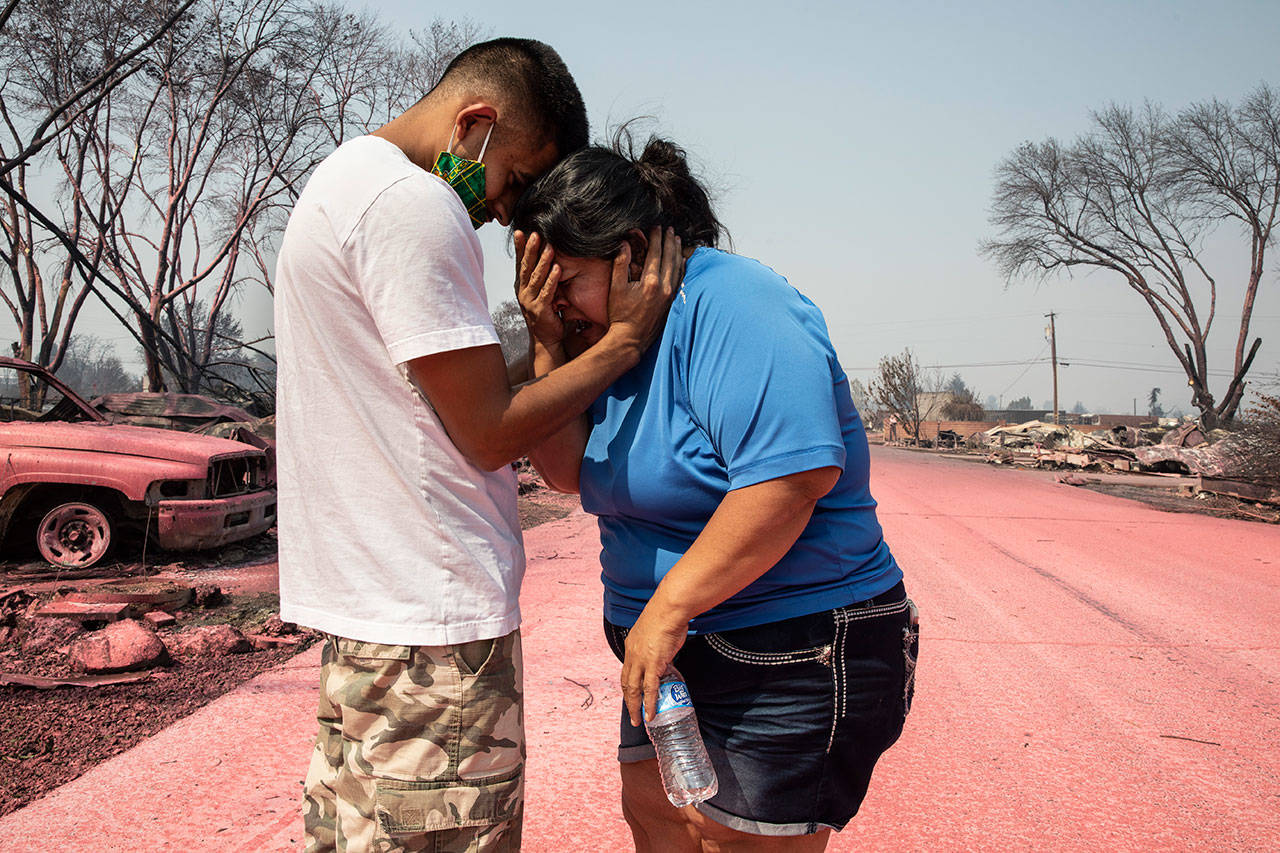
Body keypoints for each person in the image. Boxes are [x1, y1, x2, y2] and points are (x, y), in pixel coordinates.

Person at [273, 40, 681, 852]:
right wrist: (622, 341)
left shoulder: (341, 181)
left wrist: (544, 341)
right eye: (520, 179)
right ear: (476, 125)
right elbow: (491, 431)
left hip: (372, 618)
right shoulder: (412, 206)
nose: (506, 211)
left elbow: (440, 396)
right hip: (434, 628)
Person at [511, 132, 919, 851]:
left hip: (792, 642)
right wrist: (548, 340)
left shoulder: (734, 302)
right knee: (659, 820)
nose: (554, 300)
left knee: (733, 842)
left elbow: (788, 480)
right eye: (538, 284)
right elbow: (571, 472)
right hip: (666, 650)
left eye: (564, 278)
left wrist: (670, 605)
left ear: (632, 252)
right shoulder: (607, 340)